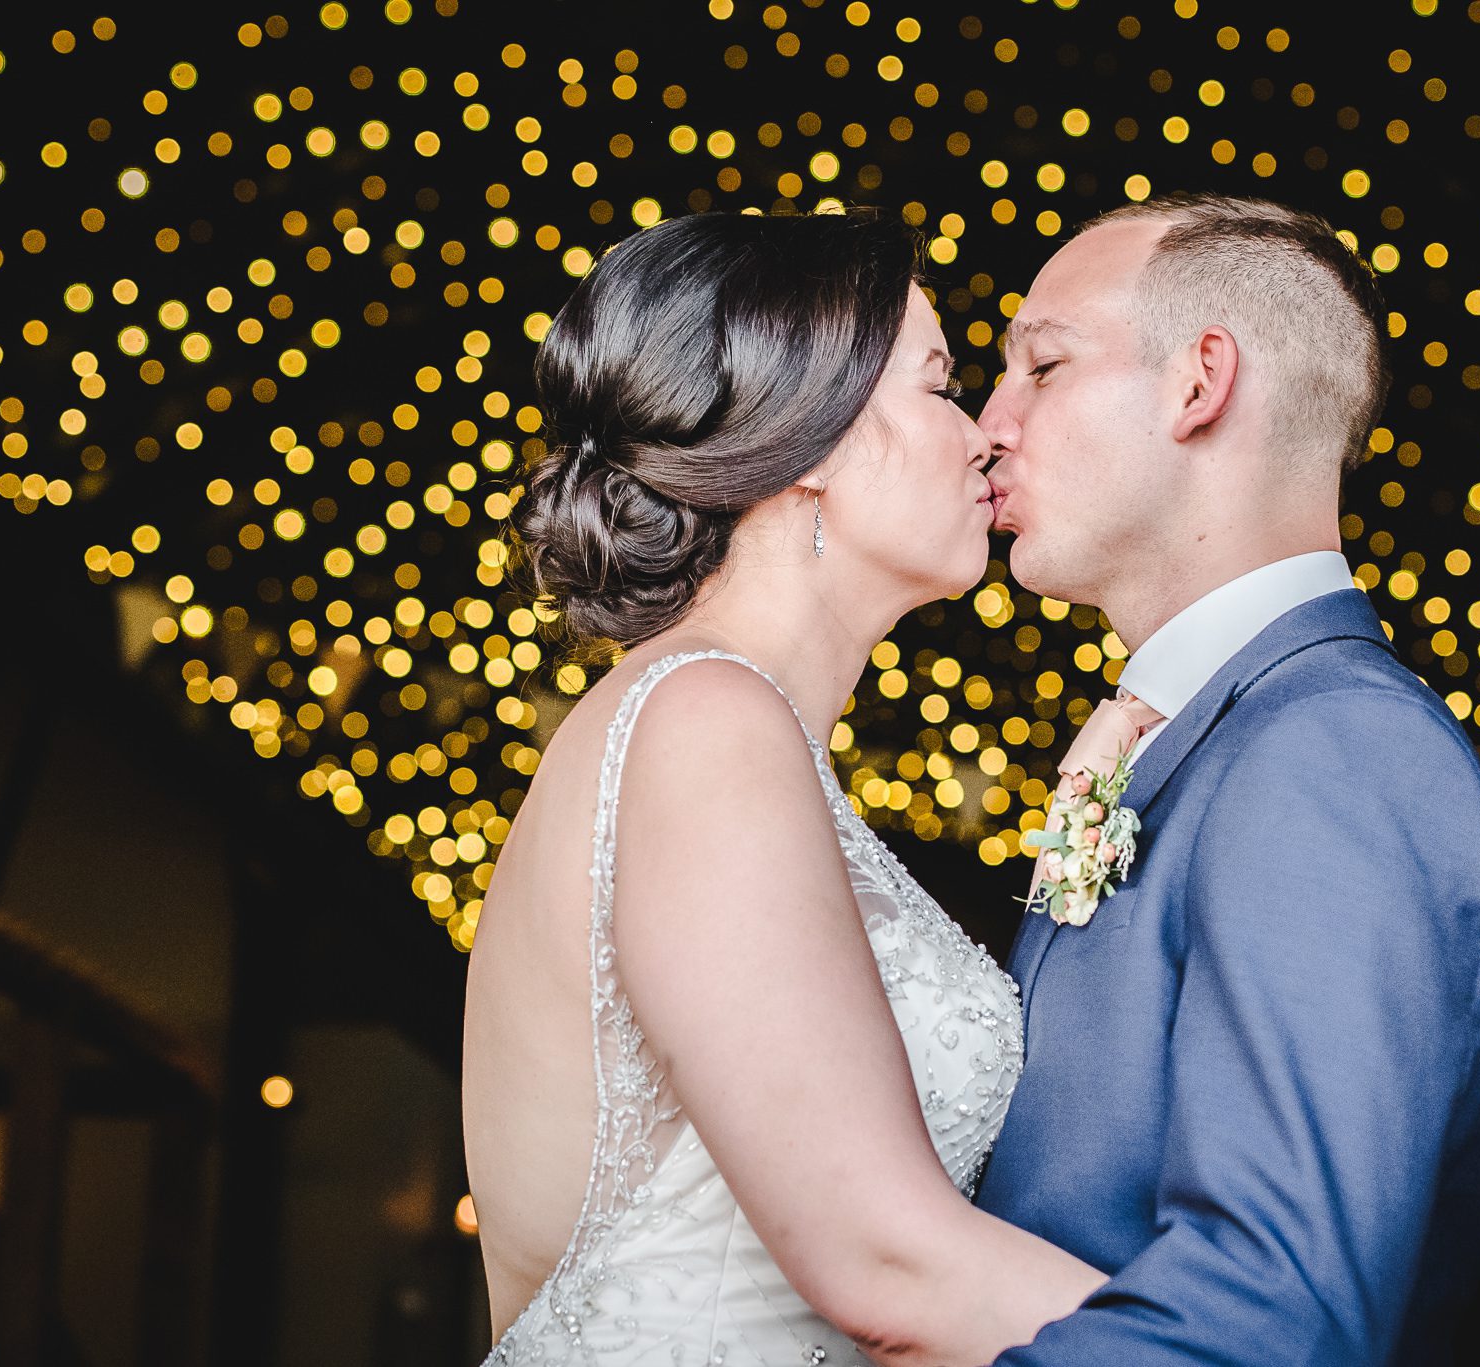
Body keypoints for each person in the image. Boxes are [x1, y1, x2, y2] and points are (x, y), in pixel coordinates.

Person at [460, 209, 1104, 1366]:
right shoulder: (705, 720)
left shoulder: (703, 723)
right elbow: (886, 1260)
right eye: (939, 385)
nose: (984, 437)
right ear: (808, 443)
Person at [971, 191, 1480, 1364]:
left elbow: (1267, 1320)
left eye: (1040, 365)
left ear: (1197, 382)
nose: (988, 423)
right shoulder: (1215, 734)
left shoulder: (1333, 751)